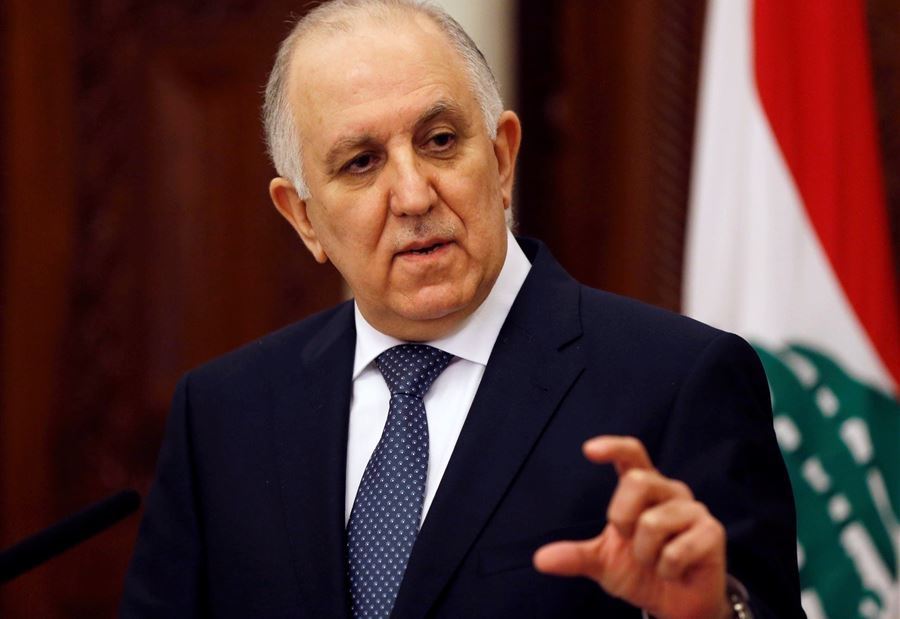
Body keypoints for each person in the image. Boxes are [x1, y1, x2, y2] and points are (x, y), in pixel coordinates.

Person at [120, 1, 804, 617]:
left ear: (502, 159)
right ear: (302, 217)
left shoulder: (678, 381)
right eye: (361, 162)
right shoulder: (223, 415)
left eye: (440, 140)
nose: (414, 195)